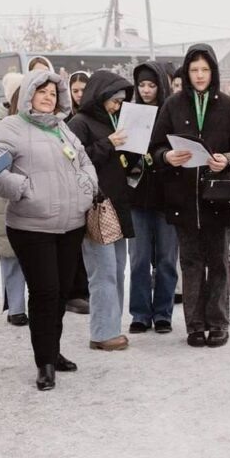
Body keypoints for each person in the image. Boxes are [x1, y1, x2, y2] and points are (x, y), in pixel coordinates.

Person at [0, 69, 99, 390]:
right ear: (28, 94)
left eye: (53, 93)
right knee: (45, 292)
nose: (48, 98)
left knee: (61, 292)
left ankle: (54, 350)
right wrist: (24, 189)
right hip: (31, 227)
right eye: (42, 92)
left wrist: (88, 187)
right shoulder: (11, 127)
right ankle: (44, 362)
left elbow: (84, 161)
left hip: (70, 225)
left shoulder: (62, 128)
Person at [150, 44, 230, 348]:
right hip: (182, 197)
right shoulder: (172, 106)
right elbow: (155, 147)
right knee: (190, 263)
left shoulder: (228, 107)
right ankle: (195, 325)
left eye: (205, 69)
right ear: (186, 73)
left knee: (218, 262)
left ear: (213, 71)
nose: (200, 75)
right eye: (194, 70)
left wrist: (227, 160)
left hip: (219, 196)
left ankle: (218, 323)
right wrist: (167, 156)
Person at [68, 70, 135, 351]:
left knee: (117, 270)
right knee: (103, 271)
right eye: (114, 101)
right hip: (96, 207)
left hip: (116, 205)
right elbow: (74, 162)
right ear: (101, 95)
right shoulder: (79, 123)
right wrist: (110, 144)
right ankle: (102, 332)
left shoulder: (111, 121)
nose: (117, 106)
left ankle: (112, 327)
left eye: (121, 102)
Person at [127, 60, 179, 334]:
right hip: (137, 197)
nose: (146, 90)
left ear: (161, 86)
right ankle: (140, 313)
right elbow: (124, 158)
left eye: (151, 85)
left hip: (167, 197)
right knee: (138, 259)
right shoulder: (131, 114)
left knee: (167, 259)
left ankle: (163, 313)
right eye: (142, 85)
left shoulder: (171, 112)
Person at [0, 72, 29, 326]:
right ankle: (16, 308)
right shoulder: (0, 126)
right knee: (11, 257)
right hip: (6, 199)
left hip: (30, 197)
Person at [64, 70, 93, 315]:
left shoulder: (95, 116)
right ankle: (75, 292)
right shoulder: (66, 118)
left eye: (84, 89)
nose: (79, 94)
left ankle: (85, 288)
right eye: (75, 90)